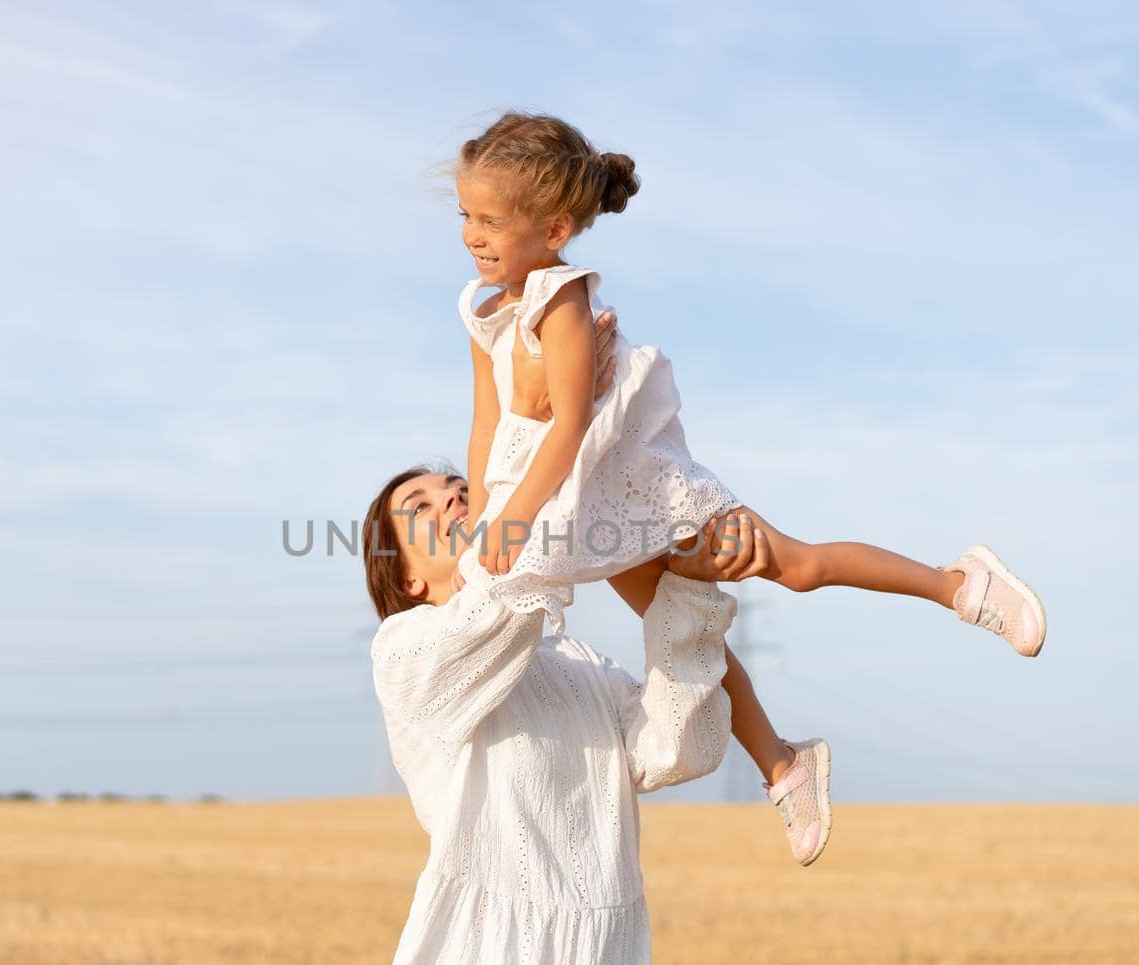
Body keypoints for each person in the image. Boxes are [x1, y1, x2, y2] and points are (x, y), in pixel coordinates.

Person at [449, 110, 1047, 864]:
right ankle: (782, 763)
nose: (472, 233)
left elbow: (570, 424)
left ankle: (958, 581)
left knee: (794, 566)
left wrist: (515, 522)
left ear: (556, 227)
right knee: (684, 628)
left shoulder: (561, 301)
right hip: (583, 506)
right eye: (465, 214)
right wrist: (485, 514)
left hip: (637, 485)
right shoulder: (481, 312)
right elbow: (487, 422)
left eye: (492, 219)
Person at [362, 464, 769, 965]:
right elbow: (500, 601)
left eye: (460, 488)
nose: (451, 499)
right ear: (408, 578)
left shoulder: (575, 660)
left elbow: (680, 749)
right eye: (421, 508)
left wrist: (685, 590)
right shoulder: (405, 652)